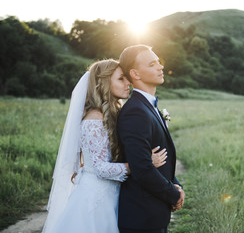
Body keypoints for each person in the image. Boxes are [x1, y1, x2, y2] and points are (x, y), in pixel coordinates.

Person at [42, 59, 167, 233]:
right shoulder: (94, 120)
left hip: (113, 195)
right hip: (95, 199)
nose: (128, 83)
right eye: (121, 79)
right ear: (104, 83)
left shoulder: (114, 113)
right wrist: (143, 163)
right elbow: (100, 168)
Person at [117, 44, 185, 233]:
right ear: (136, 74)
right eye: (152, 64)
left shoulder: (148, 107)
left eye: (159, 62)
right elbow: (142, 168)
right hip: (141, 218)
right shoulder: (135, 112)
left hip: (153, 214)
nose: (160, 67)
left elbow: (162, 156)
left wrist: (176, 185)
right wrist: (173, 194)